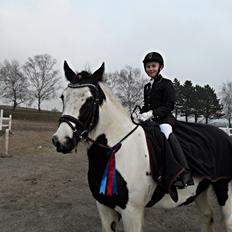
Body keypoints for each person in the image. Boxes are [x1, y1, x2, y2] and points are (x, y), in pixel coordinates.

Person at [139, 51, 193, 188]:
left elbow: (169, 105)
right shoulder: (147, 87)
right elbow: (147, 105)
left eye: (153, 66)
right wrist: (140, 113)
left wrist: (151, 113)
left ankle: (185, 172)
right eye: (148, 66)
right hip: (151, 120)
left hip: (164, 119)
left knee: (166, 132)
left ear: (160, 67)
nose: (150, 69)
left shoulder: (166, 84)